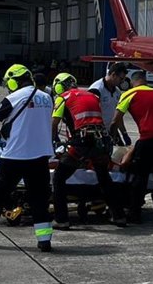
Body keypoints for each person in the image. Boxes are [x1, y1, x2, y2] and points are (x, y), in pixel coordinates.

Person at [0, 63, 57, 252]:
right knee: (39, 199)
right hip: (40, 156)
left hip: (15, 156)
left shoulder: (13, 98)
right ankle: (44, 241)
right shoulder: (47, 97)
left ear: (14, 82)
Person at [51, 72, 125, 228]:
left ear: (58, 87)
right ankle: (118, 216)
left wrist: (53, 141)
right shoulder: (91, 95)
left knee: (58, 178)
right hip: (101, 140)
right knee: (104, 177)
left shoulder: (63, 97)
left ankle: (61, 220)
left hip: (82, 141)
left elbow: (54, 123)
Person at [112, 70, 153, 227]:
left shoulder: (129, 94)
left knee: (140, 176)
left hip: (148, 137)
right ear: (145, 81)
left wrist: (112, 137)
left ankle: (134, 214)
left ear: (133, 82)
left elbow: (116, 120)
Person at [88, 61, 131, 146]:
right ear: (113, 75)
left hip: (111, 130)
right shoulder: (96, 90)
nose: (122, 82)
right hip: (98, 132)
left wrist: (124, 133)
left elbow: (118, 116)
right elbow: (90, 114)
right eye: (121, 79)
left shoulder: (117, 92)